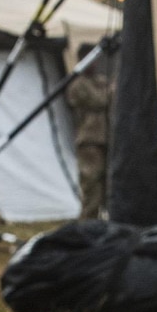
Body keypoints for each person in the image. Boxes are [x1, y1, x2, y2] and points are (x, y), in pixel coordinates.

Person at [67, 43, 112, 220]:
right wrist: (110, 90)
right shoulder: (78, 84)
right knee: (91, 185)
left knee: (105, 185)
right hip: (89, 141)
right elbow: (99, 101)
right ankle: (88, 221)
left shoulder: (99, 81)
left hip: (103, 139)